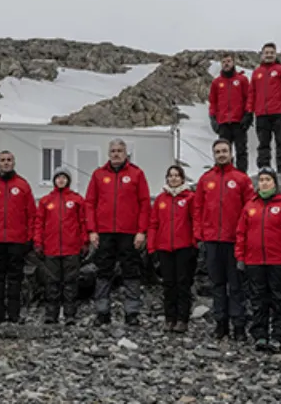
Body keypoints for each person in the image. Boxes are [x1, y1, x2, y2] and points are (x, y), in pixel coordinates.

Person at [193, 138, 255, 341]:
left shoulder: (241, 179)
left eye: (224, 151)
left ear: (231, 153)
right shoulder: (205, 179)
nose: (221, 154)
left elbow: (250, 209)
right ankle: (221, 324)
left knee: (236, 285)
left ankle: (238, 325)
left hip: (234, 241)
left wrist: (244, 235)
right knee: (217, 284)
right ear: (213, 154)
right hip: (212, 240)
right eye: (218, 151)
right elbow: (198, 208)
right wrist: (199, 233)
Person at [85, 138, 151, 326]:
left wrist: (141, 231)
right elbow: (90, 203)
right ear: (108, 153)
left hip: (129, 232)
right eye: (113, 150)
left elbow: (144, 203)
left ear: (125, 153)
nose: (116, 154)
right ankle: (102, 311)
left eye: (120, 150)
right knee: (103, 271)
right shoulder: (98, 175)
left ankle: (132, 312)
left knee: (131, 271)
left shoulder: (136, 174)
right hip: (105, 232)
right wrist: (92, 230)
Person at [235, 168, 281, 353]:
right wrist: (240, 256)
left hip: (278, 260)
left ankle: (279, 336)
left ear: (275, 183)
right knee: (257, 300)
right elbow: (241, 233)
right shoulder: (250, 206)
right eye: (261, 179)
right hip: (254, 261)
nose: (264, 183)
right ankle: (260, 335)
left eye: (268, 179)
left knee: (280, 299)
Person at [0, 150, 37, 324]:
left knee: (15, 279)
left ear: (14, 162)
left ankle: (14, 314)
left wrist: (29, 238)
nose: (6, 163)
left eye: (9, 160)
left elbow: (31, 215)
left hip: (17, 240)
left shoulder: (23, 185)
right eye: (2, 160)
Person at [35, 166, 89, 325]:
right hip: (51, 248)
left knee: (71, 283)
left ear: (68, 180)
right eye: (58, 177)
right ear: (54, 180)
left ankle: (70, 314)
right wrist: (38, 243)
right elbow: (39, 223)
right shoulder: (45, 201)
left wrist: (84, 242)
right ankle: (51, 314)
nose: (61, 180)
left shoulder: (77, 200)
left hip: (71, 248)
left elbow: (83, 222)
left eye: (64, 177)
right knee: (52, 283)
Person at [148, 165, 196, 333]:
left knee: (183, 283)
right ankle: (170, 318)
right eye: (171, 175)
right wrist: (151, 246)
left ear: (182, 178)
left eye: (177, 175)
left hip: (184, 247)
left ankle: (183, 319)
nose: (173, 178)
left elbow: (195, 220)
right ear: (166, 178)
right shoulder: (161, 199)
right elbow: (154, 224)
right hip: (164, 247)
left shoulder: (190, 197)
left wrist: (194, 243)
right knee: (168, 284)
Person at [249, 43, 281, 174]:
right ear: (262, 54)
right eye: (267, 53)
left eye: (272, 52)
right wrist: (249, 111)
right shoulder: (257, 73)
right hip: (261, 114)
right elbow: (252, 93)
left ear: (275, 54)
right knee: (263, 143)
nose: (269, 55)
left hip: (279, 113)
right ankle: (264, 168)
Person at [208, 52, 253, 172]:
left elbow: (248, 98)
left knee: (241, 150)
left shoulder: (242, 80)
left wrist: (248, 114)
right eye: (223, 62)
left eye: (228, 61)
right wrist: (212, 117)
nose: (226, 64)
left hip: (239, 121)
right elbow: (213, 101)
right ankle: (224, 174)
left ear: (233, 62)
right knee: (224, 151)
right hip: (223, 122)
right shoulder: (216, 83)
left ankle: (242, 175)